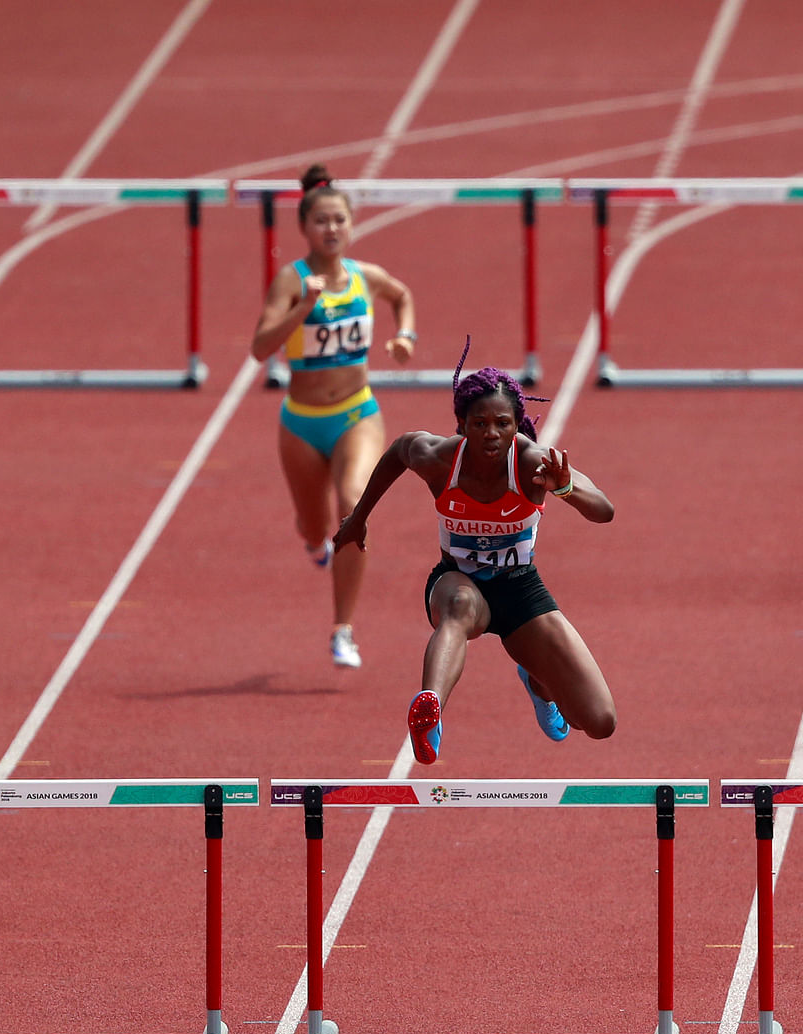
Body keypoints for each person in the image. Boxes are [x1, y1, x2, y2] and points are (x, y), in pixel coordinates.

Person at [332, 344, 616, 764]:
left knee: (599, 720)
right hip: (456, 581)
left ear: (516, 425)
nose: (491, 433)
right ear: (461, 426)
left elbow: (604, 510)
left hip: (520, 591)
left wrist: (565, 488)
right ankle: (430, 711)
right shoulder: (439, 459)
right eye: (479, 423)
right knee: (461, 607)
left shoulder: (533, 464)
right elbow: (398, 451)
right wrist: (358, 517)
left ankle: (537, 681)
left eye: (502, 423)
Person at [250, 163, 417, 669]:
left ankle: (343, 630)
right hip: (301, 422)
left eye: (340, 220)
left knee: (352, 508)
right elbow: (260, 348)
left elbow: (402, 295)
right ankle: (313, 542)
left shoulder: (366, 277)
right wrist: (303, 309)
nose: (332, 229)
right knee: (312, 525)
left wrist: (405, 336)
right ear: (305, 227)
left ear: (351, 224)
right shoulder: (291, 280)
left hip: (355, 415)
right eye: (321, 221)